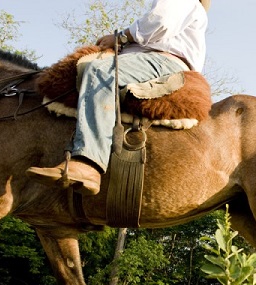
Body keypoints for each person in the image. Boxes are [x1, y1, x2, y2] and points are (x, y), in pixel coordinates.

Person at [27, 0, 210, 195]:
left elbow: (160, 21)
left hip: (161, 61)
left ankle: (88, 162)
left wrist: (121, 37)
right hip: (150, 59)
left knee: (99, 71)